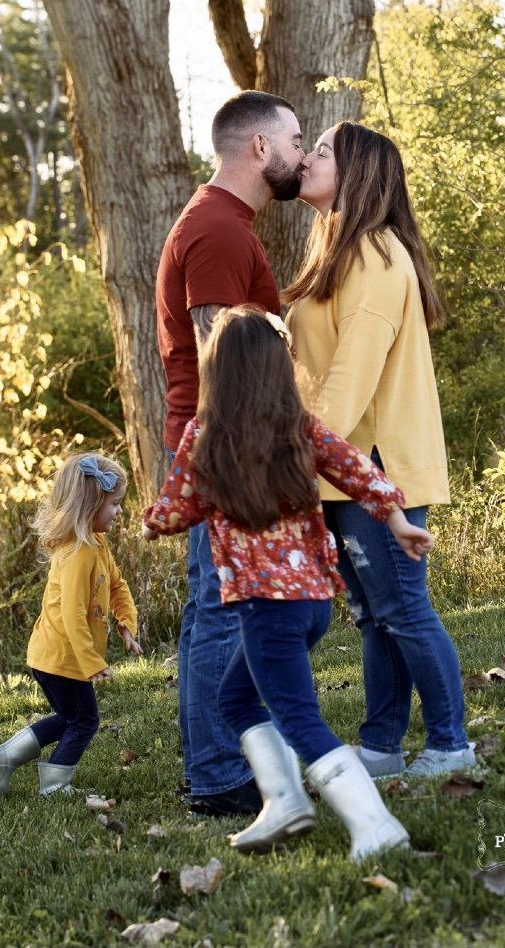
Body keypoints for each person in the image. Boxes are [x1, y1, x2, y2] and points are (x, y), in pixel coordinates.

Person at [143, 305, 433, 863]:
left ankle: (375, 823)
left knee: (299, 717)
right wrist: (397, 519)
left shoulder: (207, 435)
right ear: (279, 368)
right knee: (236, 698)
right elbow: (356, 468)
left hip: (266, 609)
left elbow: (179, 507)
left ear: (216, 372)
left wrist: (153, 522)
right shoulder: (299, 426)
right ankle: (284, 803)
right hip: (314, 602)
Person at [283, 120, 473, 780]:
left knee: (402, 608)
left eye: (324, 151)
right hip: (344, 462)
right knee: (373, 615)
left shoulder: (374, 252)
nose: (306, 158)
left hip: (374, 463)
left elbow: (352, 374)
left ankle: (451, 743)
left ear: (359, 172)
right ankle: (382, 746)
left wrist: (296, 456)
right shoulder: (338, 249)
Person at [155, 90, 304, 817]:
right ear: (258, 149)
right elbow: (222, 358)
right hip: (224, 445)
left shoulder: (225, 223)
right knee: (220, 609)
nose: (301, 155)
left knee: (214, 607)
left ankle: (220, 763)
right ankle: (218, 774)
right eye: (295, 140)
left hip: (224, 442)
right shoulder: (217, 229)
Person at [0, 453, 143, 798]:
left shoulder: (97, 545)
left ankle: (4, 757)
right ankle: (54, 786)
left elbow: (117, 586)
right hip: (61, 658)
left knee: (69, 718)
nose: (120, 511)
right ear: (90, 505)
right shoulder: (78, 554)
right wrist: (92, 663)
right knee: (84, 721)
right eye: (114, 504)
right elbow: (71, 614)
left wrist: (127, 622)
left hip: (56, 657)